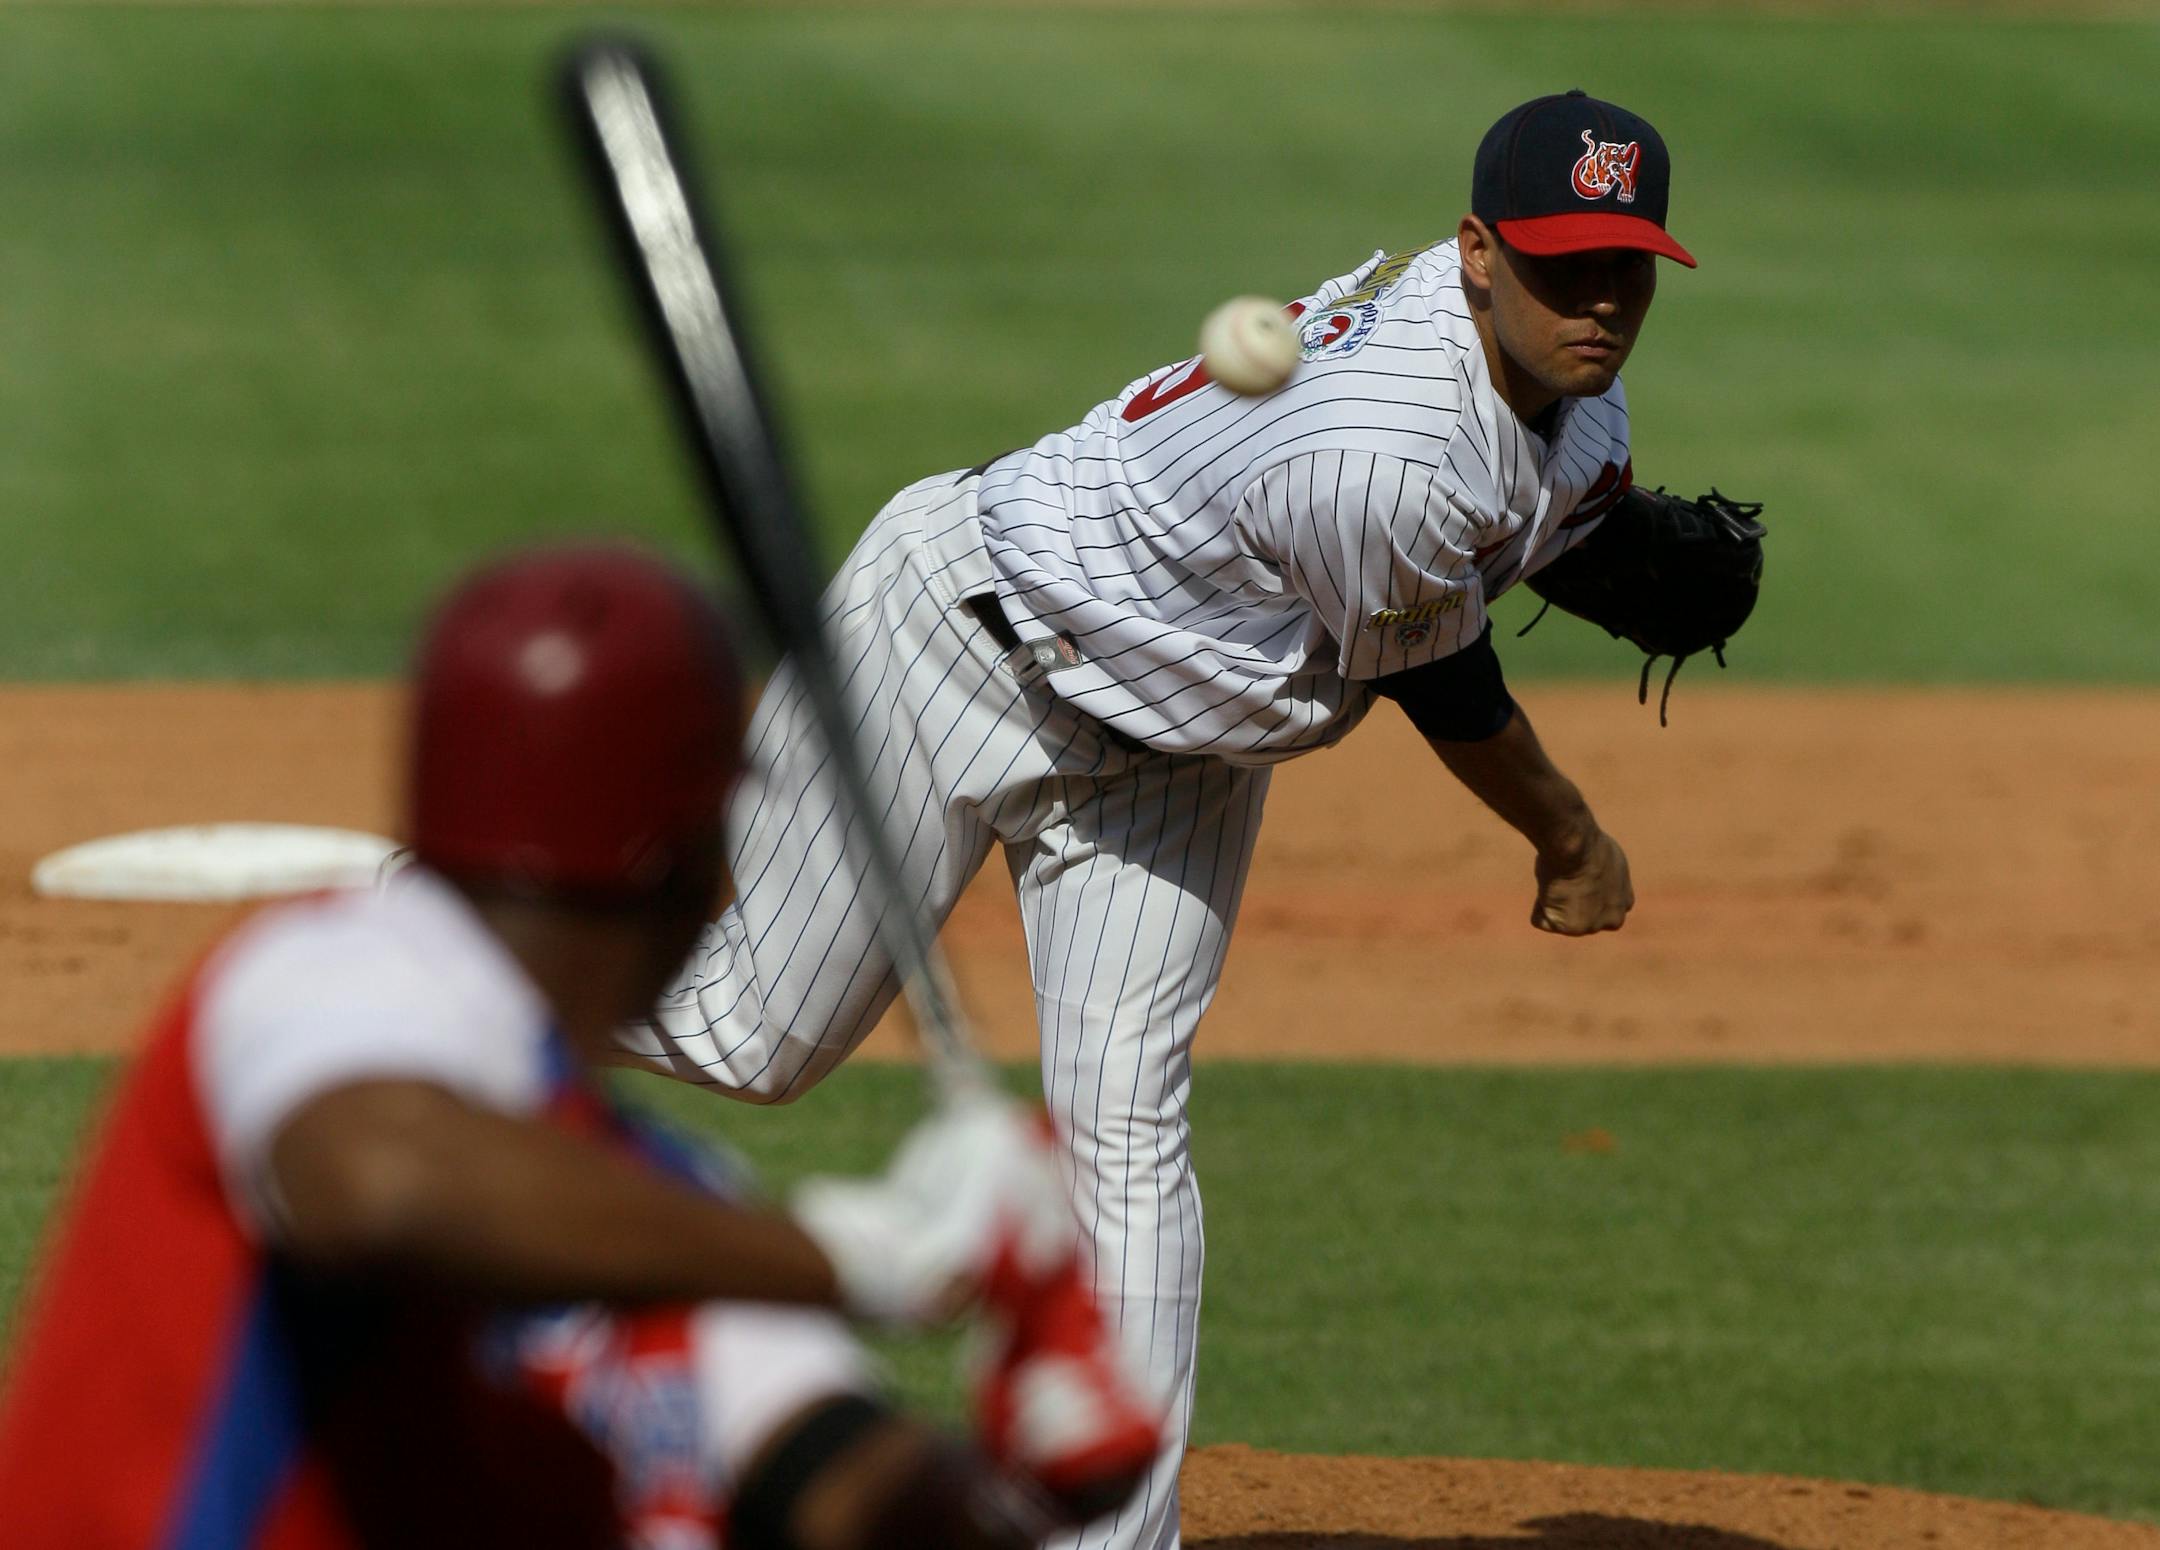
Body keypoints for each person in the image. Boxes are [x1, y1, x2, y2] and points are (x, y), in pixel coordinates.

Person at [616, 91, 1702, 1549]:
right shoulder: (1383, 443)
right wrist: (1570, 834)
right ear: (1476, 254)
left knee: (1124, 1126)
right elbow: (1443, 676)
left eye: (1625, 266)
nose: (1600, 302)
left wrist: (1618, 533)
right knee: (753, 1040)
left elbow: (1548, 503)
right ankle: (445, 917)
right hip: (961, 639)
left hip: (1172, 750)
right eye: (1564, 266)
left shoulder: (1578, 394)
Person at [0, 544, 1157, 1549]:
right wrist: (864, 1254)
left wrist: (1017, 1483)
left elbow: (836, 1488)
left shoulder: (655, 1203)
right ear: (695, 858)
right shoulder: (327, 973)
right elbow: (374, 1177)